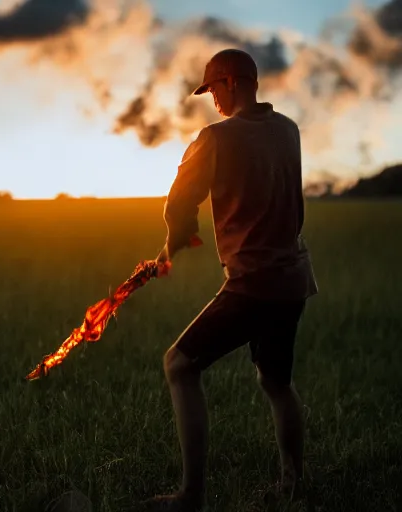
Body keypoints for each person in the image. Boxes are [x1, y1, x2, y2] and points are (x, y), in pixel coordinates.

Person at [144, 48, 318, 512]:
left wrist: (172, 244)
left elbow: (179, 204)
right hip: (293, 278)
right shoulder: (289, 130)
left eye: (213, 90)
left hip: (253, 283)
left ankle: (191, 497)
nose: (212, 101)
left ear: (232, 83)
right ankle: (293, 486)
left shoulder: (216, 138)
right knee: (276, 382)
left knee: (179, 366)